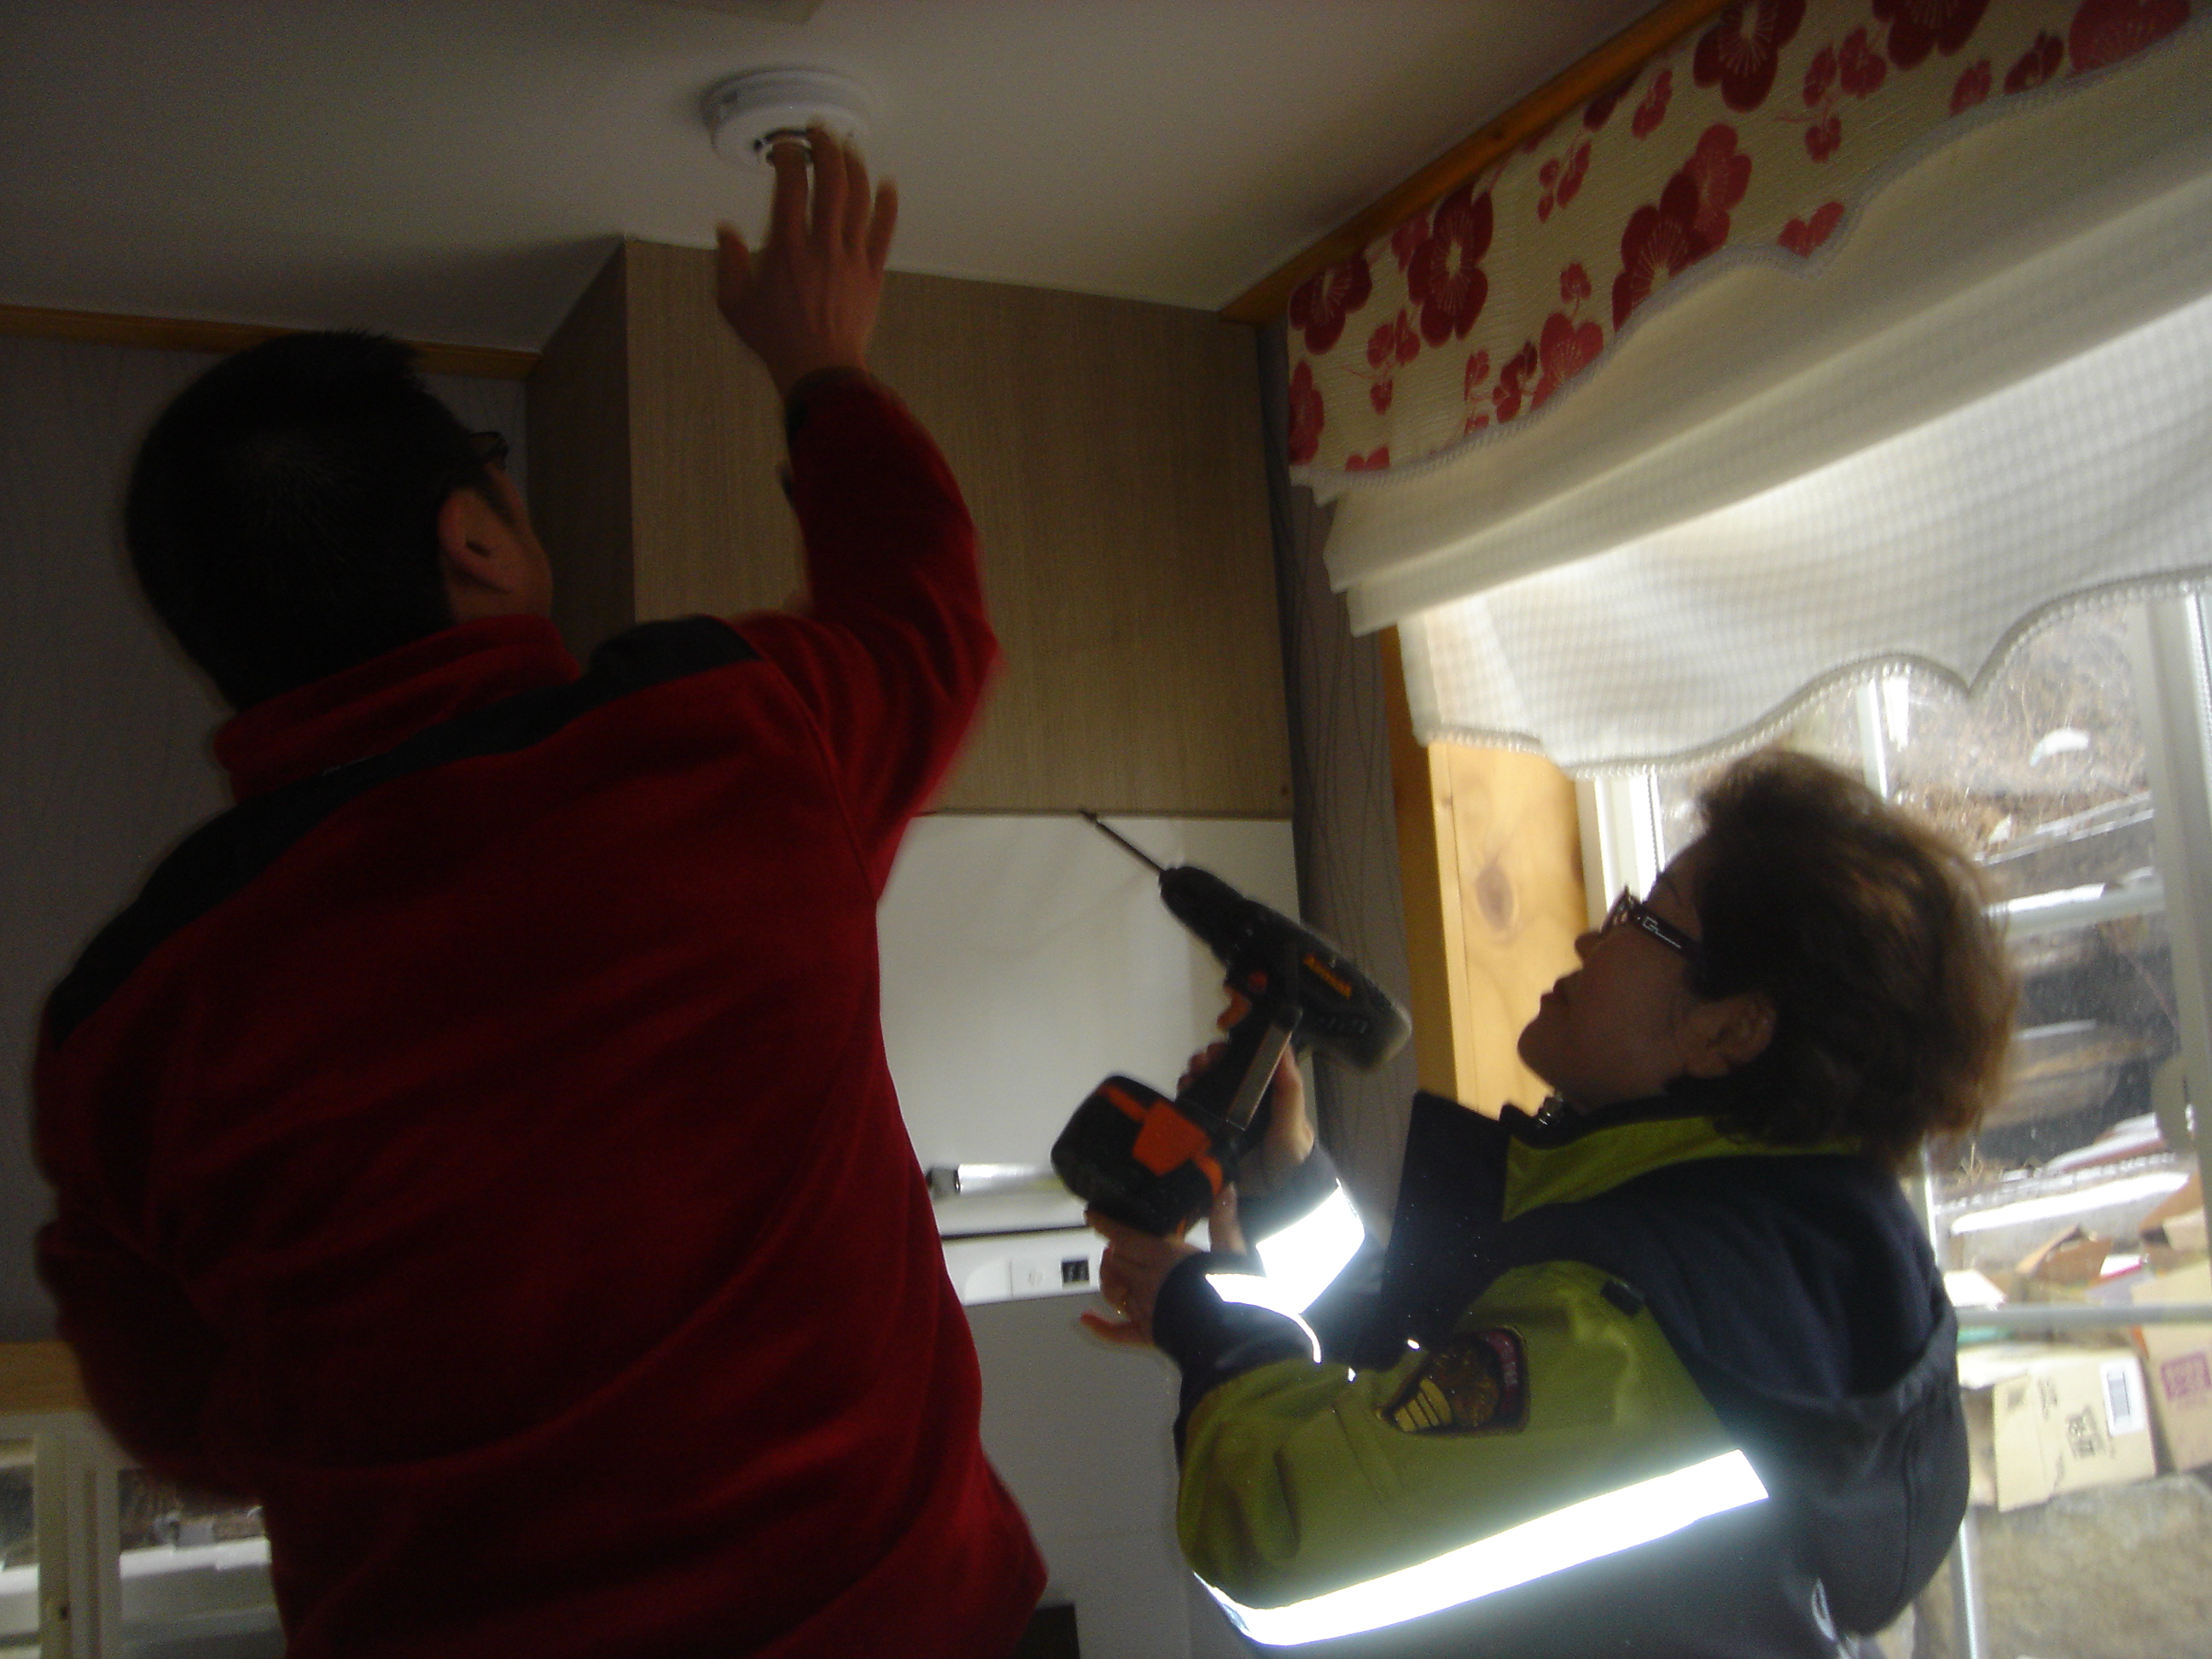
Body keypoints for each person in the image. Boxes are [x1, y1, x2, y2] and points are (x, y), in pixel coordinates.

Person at [34, 130, 1045, 1657]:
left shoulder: (128, 1024)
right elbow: (924, 615)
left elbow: (186, 1416)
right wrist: (822, 364)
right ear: (474, 540)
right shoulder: (720, 733)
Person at [1087, 750, 2016, 1656]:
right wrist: (1287, 1186)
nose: (1590, 939)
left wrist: (1211, 1324)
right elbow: (1418, 1378)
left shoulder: (1637, 1335)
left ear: (1731, 1029)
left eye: (1644, 918)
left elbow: (1284, 1553)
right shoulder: (1780, 1248)